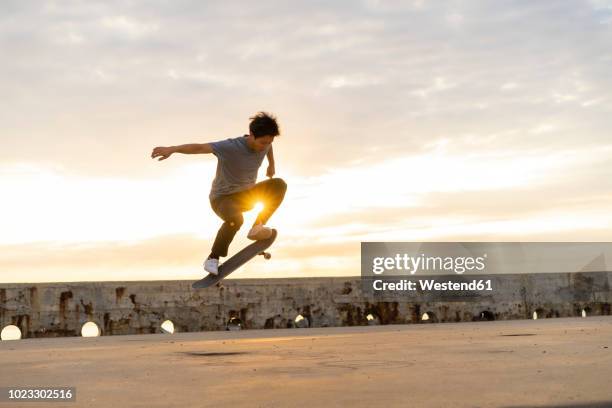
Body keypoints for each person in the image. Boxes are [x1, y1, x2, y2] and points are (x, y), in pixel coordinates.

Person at [150, 112, 287, 276]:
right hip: (222, 199)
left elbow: (269, 148)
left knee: (279, 185)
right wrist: (173, 149)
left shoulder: (266, 144)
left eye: (269, 142)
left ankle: (257, 226)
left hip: (247, 195)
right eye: (262, 142)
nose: (265, 146)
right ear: (251, 135)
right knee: (236, 220)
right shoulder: (230, 147)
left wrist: (271, 165)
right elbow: (200, 147)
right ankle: (213, 258)